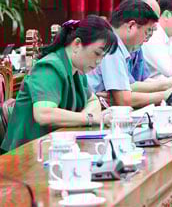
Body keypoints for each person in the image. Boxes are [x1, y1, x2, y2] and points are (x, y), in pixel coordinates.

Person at [1, 16, 114, 153]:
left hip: (56, 148)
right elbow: (43, 114)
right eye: (97, 54)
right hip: (27, 154)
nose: (99, 61)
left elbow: (93, 100)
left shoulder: (77, 70)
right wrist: (89, 118)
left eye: (103, 57)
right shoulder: (49, 67)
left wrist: (86, 119)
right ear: (77, 44)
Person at [87, 0, 172, 107]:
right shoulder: (111, 46)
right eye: (147, 31)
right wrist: (164, 95)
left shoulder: (121, 47)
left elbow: (128, 89)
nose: (147, 38)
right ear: (131, 26)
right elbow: (124, 100)